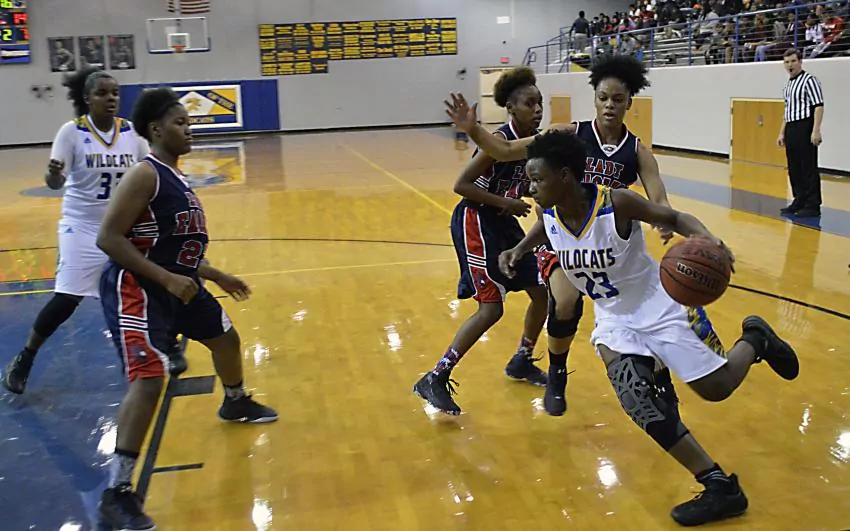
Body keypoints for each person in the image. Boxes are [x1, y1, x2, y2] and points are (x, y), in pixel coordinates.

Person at [512, 129, 799, 526]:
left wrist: (708, 239)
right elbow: (547, 228)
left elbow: (674, 218)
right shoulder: (550, 211)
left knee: (716, 388)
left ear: (564, 176)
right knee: (637, 398)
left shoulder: (616, 203)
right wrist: (519, 249)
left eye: (536, 179)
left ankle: (755, 340)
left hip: (661, 306)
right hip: (614, 318)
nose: (530, 188)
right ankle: (719, 486)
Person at [443, 54, 673, 416]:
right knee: (564, 302)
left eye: (618, 99)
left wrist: (665, 221)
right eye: (603, 98)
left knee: (643, 315)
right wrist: (473, 129)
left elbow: (658, 197)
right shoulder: (569, 134)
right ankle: (557, 373)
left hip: (612, 250)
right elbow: (504, 150)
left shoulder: (637, 152)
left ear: (630, 102)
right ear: (594, 99)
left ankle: (660, 379)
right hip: (561, 239)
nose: (610, 105)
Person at [95, 88, 278, 530]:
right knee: (150, 378)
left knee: (226, 339)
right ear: (156, 130)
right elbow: (109, 239)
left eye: (189, 122)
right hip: (139, 288)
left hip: (179, 283)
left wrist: (215, 275)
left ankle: (234, 402)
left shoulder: (176, 178)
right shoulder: (145, 175)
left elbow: (176, 247)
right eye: (180, 123)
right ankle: (118, 490)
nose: (189, 129)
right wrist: (166, 279)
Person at [1, 68, 188, 396]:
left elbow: (153, 170)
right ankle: (25, 358)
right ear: (87, 98)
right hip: (82, 226)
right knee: (67, 298)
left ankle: (168, 344)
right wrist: (53, 174)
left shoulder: (131, 133)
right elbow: (55, 183)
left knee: (155, 281)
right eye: (102, 93)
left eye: (115, 93)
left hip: (124, 226)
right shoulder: (71, 132)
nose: (111, 98)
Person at [413, 67, 549, 415]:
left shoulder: (532, 144)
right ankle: (435, 376)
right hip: (476, 221)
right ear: (511, 108)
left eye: (540, 103)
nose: (537, 110)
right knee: (492, 308)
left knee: (542, 294)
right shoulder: (498, 142)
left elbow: (524, 185)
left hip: (503, 223)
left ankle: (522, 359)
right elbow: (461, 186)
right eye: (530, 103)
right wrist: (507, 202)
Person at [777, 48, 824, 218]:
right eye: (787, 62)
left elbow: (818, 106)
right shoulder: (788, 85)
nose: (790, 65)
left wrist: (816, 130)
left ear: (800, 62)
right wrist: (781, 133)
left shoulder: (809, 80)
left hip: (805, 126)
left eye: (793, 61)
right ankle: (799, 199)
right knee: (794, 167)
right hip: (791, 127)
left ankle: (812, 205)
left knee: (808, 167)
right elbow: (787, 111)